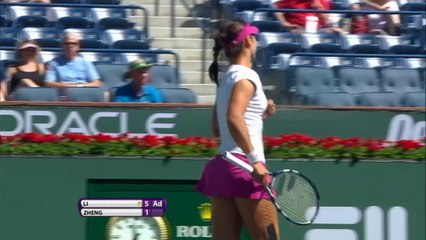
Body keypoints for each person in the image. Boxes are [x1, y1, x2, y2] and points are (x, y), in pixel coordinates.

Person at [196, 19, 278, 239]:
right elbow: (234, 118)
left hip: (223, 168)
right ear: (249, 41)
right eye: (255, 37)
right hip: (245, 168)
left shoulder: (226, 79)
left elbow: (218, 127)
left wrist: (261, 112)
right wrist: (254, 161)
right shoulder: (247, 77)